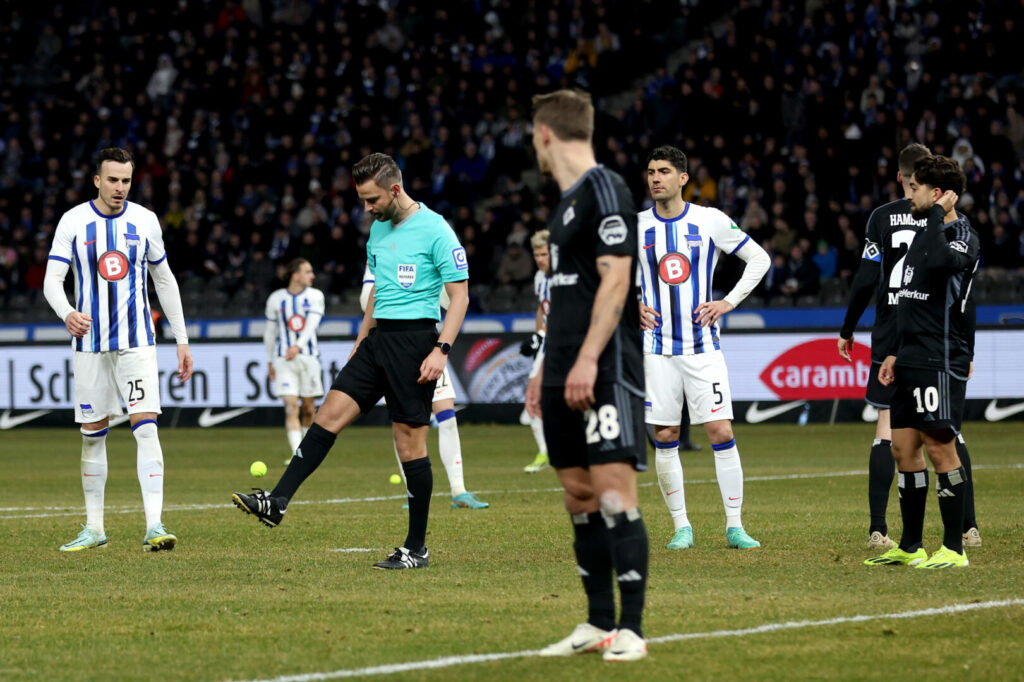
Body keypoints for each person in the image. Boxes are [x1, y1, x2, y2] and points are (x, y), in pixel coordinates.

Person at [232, 153, 469, 570]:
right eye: (362, 199)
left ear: (395, 190)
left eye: (371, 199)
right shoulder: (377, 231)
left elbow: (461, 296)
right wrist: (362, 337)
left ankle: (417, 548)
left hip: (416, 343)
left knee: (409, 444)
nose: (366, 208)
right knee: (327, 414)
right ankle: (277, 500)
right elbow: (378, 290)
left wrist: (441, 350)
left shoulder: (436, 230)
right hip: (378, 341)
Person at [524, 90, 649, 662]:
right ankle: (597, 622)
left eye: (533, 135)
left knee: (615, 492)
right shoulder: (566, 202)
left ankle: (632, 630)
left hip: (603, 366)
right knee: (578, 495)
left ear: (546, 133)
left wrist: (587, 360)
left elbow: (616, 282)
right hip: (564, 365)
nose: (533, 145)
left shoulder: (606, 189)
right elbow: (566, 298)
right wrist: (548, 365)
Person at [43, 147, 193, 552]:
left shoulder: (145, 220)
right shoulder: (73, 221)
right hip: (89, 344)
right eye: (112, 180)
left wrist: (181, 339)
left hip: (137, 342)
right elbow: (52, 281)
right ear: (97, 180)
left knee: (146, 426)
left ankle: (155, 526)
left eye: (126, 180)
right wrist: (67, 313)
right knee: (93, 434)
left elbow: (165, 281)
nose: (120, 188)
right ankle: (95, 529)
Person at [839, 143, 981, 550]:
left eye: (918, 187)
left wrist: (848, 328)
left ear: (934, 192)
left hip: (936, 346)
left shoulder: (954, 232)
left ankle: (951, 543)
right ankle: (912, 544)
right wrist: (895, 352)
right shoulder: (922, 227)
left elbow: (938, 272)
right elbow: (913, 293)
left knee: (940, 442)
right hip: (905, 346)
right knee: (905, 447)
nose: (911, 193)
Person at [636, 145, 770, 551]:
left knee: (720, 429)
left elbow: (759, 258)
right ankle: (682, 527)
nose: (655, 178)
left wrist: (728, 301)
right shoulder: (635, 226)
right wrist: (631, 304)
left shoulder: (709, 220)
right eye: (650, 171)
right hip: (656, 348)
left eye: (663, 171)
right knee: (666, 434)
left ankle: (735, 525)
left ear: (682, 178)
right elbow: (604, 271)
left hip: (702, 347)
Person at [360, 262, 489, 509]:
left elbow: (453, 300)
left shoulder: (429, 246)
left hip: (426, 345)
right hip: (392, 346)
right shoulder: (379, 248)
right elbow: (366, 298)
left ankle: (459, 491)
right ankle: (413, 493)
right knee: (405, 421)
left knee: (446, 414)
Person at [264, 258, 325, 466]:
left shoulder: (316, 296)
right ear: (295, 275)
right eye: (308, 272)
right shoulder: (276, 299)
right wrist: (269, 361)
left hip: (308, 358)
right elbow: (270, 332)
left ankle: (308, 451)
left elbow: (311, 325)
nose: (312, 276)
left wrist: (298, 345)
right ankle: (297, 455)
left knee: (309, 409)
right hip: (283, 360)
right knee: (291, 407)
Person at [521, 228, 551, 473]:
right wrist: (537, 334)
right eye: (536, 254)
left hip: (568, 344)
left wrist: (542, 335)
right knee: (532, 400)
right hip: (549, 343)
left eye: (544, 253)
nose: (540, 259)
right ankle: (545, 452)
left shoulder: (567, 276)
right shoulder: (540, 278)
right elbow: (543, 309)